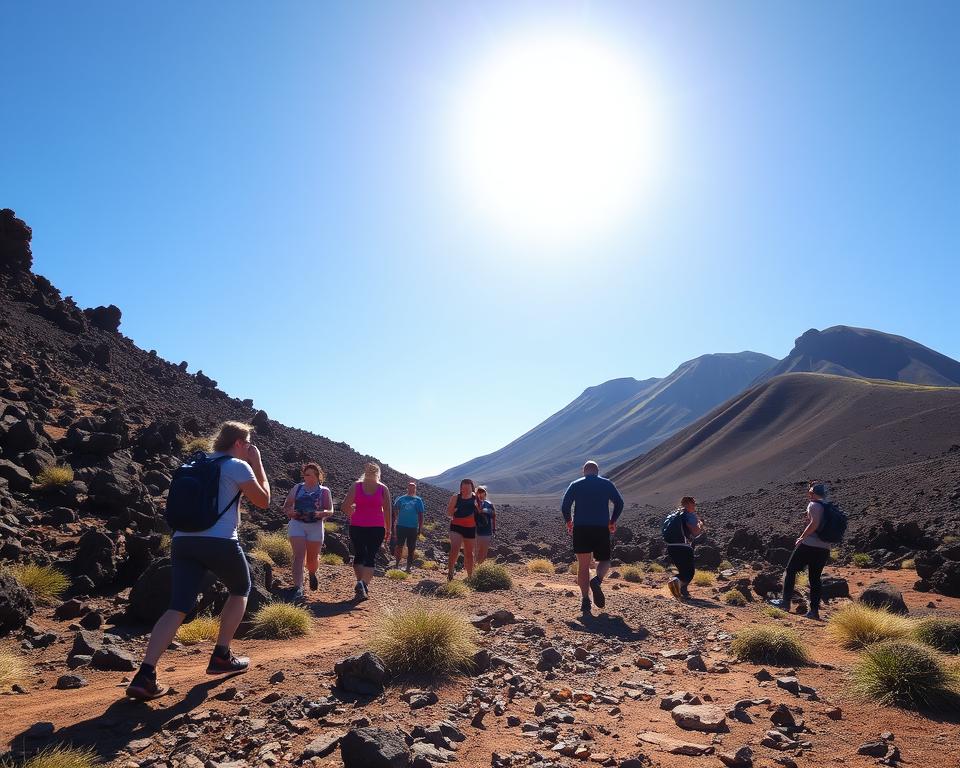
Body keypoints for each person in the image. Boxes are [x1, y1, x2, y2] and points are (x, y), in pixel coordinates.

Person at [126, 421, 271, 700]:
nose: (251, 447)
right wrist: (258, 462)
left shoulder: (195, 462)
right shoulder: (237, 466)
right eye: (249, 443)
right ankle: (221, 656)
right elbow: (263, 500)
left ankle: (145, 674)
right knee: (241, 589)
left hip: (182, 541)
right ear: (239, 443)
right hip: (219, 541)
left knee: (177, 607)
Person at [561, 461, 624, 615]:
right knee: (604, 560)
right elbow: (619, 503)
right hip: (601, 528)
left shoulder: (575, 484)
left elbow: (565, 505)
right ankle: (597, 581)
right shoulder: (606, 484)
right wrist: (612, 521)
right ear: (597, 471)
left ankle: (585, 601)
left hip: (581, 528)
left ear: (584, 471)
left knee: (583, 566)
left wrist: (569, 522)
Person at [769, 483, 832, 620]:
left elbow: (814, 523)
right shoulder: (828, 507)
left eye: (810, 492)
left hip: (809, 545)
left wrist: (802, 537)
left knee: (791, 570)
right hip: (824, 548)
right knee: (815, 579)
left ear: (814, 493)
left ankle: (785, 603)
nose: (809, 495)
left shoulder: (813, 505)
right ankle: (814, 612)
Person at [283, 462, 333, 602]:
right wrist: (290, 512)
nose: (306, 477)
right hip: (297, 524)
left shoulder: (324, 491)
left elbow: (330, 510)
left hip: (315, 526)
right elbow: (286, 505)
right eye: (305, 474)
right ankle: (298, 587)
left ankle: (312, 573)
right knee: (298, 556)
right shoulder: (297, 488)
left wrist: (319, 514)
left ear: (317, 476)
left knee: (312, 558)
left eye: (309, 474)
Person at [341, 462, 391, 601]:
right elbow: (387, 510)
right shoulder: (382, 488)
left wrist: (354, 515)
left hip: (357, 526)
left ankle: (360, 584)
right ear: (378, 473)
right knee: (370, 556)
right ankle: (362, 583)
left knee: (359, 554)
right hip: (377, 527)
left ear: (365, 472)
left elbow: (345, 506)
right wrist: (389, 529)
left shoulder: (356, 486)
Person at [666, 496, 704, 601]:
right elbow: (695, 532)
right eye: (694, 504)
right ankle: (675, 581)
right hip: (684, 547)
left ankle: (681, 592)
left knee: (683, 570)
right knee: (689, 573)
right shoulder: (689, 515)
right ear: (690, 504)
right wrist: (700, 524)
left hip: (671, 547)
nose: (694, 506)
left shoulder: (675, 515)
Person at [447, 479, 479, 581]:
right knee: (455, 549)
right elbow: (448, 513)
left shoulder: (476, 498)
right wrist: (454, 510)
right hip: (456, 526)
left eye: (467, 488)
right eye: (463, 487)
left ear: (472, 488)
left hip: (470, 528)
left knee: (469, 553)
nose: (464, 490)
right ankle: (450, 572)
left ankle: (470, 577)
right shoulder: (456, 497)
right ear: (460, 487)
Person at [392, 481, 425, 572]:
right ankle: (397, 564)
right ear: (407, 488)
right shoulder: (401, 498)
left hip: (413, 527)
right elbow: (395, 507)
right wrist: (397, 517)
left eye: (413, 487)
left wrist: (420, 527)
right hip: (401, 526)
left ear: (415, 489)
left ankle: (408, 567)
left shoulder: (418, 500)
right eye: (410, 487)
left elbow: (421, 515)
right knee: (399, 545)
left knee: (411, 547)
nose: (411, 489)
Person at [474, 485, 496, 564]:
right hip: (475, 531)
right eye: (478, 493)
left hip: (486, 531)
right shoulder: (473, 504)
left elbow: (493, 516)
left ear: (485, 494)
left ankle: (479, 568)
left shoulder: (489, 504)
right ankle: (473, 570)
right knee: (475, 551)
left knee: (483, 551)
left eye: (482, 492)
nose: (480, 494)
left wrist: (494, 529)